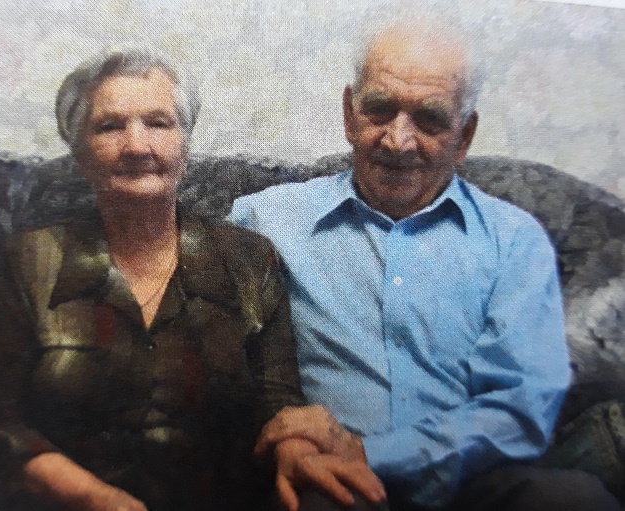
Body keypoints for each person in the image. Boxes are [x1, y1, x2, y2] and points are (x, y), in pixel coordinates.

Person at [0, 49, 385, 511]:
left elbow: (276, 400)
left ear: (184, 146)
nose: (136, 145)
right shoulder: (33, 260)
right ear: (80, 156)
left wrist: (296, 452)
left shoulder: (248, 258)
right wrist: (95, 498)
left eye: (158, 123)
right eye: (110, 126)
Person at [229, 20, 621, 511]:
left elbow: (522, 408)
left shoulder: (514, 241)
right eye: (379, 109)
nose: (398, 140)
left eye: (430, 118)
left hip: (474, 485)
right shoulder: (264, 220)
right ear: (349, 114)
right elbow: (219, 361)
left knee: (574, 499)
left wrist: (373, 452)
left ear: (464, 135)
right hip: (333, 482)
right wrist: (288, 437)